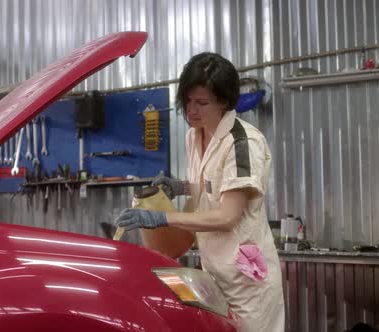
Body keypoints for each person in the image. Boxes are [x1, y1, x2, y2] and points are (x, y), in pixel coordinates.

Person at [116, 52, 284, 331]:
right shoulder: (195, 135)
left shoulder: (241, 143)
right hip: (214, 273)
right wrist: (181, 187)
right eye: (188, 101)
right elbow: (210, 187)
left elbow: (227, 215)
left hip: (246, 282)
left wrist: (162, 219)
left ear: (225, 103)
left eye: (202, 103)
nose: (191, 111)